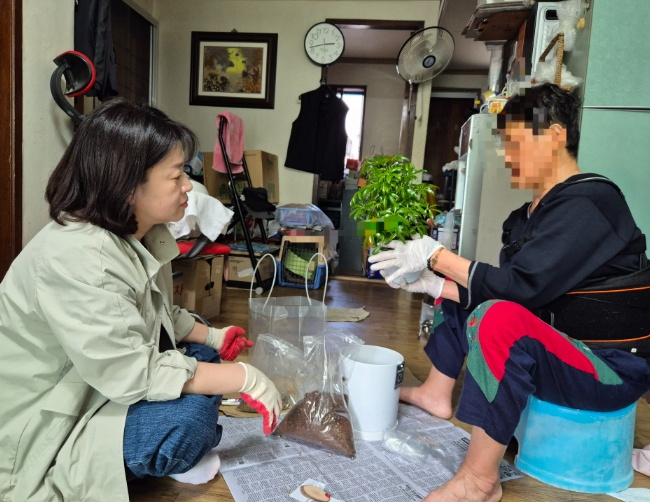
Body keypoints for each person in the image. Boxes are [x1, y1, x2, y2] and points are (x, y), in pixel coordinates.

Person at [369, 83, 650, 502]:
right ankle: (435, 392)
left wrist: (437, 257)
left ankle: (480, 481)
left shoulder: (589, 202)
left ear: (554, 136)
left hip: (606, 369)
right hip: (563, 346)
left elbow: (520, 292)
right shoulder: (530, 216)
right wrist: (436, 284)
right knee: (465, 291)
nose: (506, 156)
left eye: (514, 143)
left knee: (496, 315)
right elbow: (511, 290)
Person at [0, 100, 282, 501]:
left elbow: (159, 312)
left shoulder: (141, 232)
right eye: (177, 175)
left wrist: (214, 338)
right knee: (186, 425)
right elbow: (136, 373)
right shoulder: (80, 256)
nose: (188, 186)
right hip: (56, 418)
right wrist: (245, 378)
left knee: (204, 360)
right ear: (128, 182)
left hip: (101, 383)